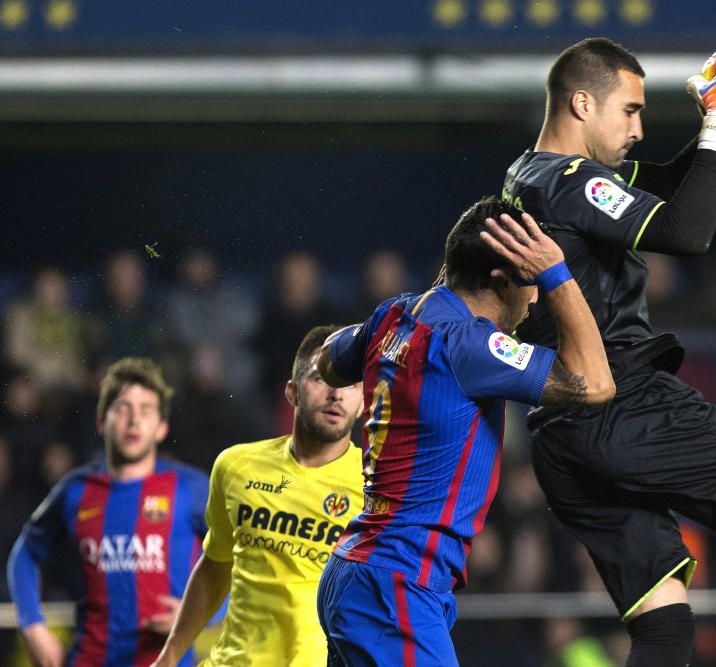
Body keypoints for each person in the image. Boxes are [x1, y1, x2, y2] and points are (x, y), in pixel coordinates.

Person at [500, 34, 716, 666]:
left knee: (665, 631)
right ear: (582, 103)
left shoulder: (531, 175)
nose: (638, 126)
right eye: (630, 110)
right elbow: (686, 230)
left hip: (559, 430)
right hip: (624, 404)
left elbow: (668, 183)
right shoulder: (572, 182)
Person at [316, 196, 614, 666]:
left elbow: (329, 362)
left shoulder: (392, 316)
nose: (535, 299)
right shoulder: (470, 345)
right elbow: (595, 384)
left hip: (358, 573)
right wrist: (557, 272)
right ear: (501, 279)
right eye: (531, 283)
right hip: (397, 584)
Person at [152, 326, 366, 667]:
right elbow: (215, 564)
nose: (336, 394)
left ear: (363, 404)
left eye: (350, 385)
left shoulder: (377, 487)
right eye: (320, 379)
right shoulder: (237, 466)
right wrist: (170, 655)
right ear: (292, 392)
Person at [6, 357, 210, 667]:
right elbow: (25, 553)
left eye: (145, 410)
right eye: (123, 408)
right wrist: (33, 626)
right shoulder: (75, 490)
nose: (133, 420)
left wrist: (202, 614)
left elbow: (244, 559)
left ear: (162, 427)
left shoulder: (191, 489)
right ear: (102, 421)